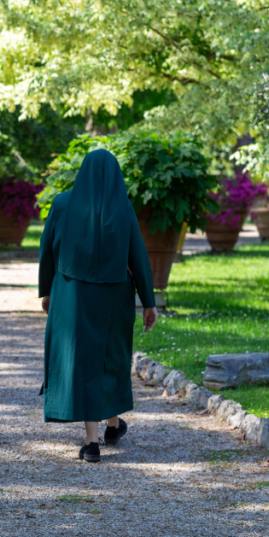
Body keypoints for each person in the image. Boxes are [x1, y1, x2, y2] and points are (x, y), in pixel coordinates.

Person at [37, 149, 158, 462]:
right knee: (110, 358)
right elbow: (138, 257)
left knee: (82, 360)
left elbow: (48, 251)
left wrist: (46, 292)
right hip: (114, 297)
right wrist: (148, 302)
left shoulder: (62, 204)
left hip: (70, 294)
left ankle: (93, 441)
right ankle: (113, 424)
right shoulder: (123, 208)